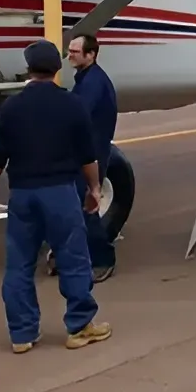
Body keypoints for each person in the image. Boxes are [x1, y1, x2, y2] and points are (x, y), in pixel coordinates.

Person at [0, 40, 113, 354]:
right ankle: (79, 328)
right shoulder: (71, 104)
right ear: (56, 70)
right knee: (73, 258)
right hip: (60, 193)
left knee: (19, 264)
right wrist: (94, 189)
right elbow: (87, 156)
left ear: (28, 69)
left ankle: (22, 334)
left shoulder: (11, 107)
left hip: (23, 194)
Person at [46, 33, 119, 282]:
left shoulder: (93, 83)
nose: (70, 56)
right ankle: (69, 256)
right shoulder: (86, 79)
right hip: (82, 153)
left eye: (75, 52)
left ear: (91, 54)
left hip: (92, 155)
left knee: (86, 208)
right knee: (71, 207)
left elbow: (79, 114)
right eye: (69, 51)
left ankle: (104, 259)